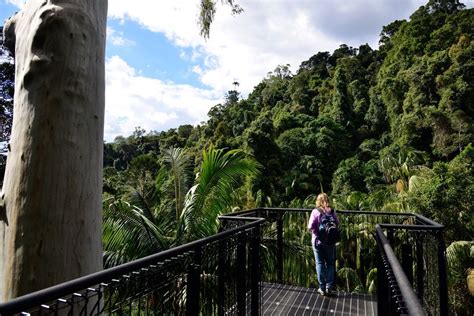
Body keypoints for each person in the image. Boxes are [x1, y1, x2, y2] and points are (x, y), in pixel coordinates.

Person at [307, 193, 339, 296]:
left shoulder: (315, 211)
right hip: (330, 242)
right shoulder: (332, 211)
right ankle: (329, 287)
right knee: (330, 263)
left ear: (318, 201)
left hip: (318, 241)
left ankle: (322, 288)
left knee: (319, 263)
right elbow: (337, 223)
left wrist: (316, 233)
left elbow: (310, 226)